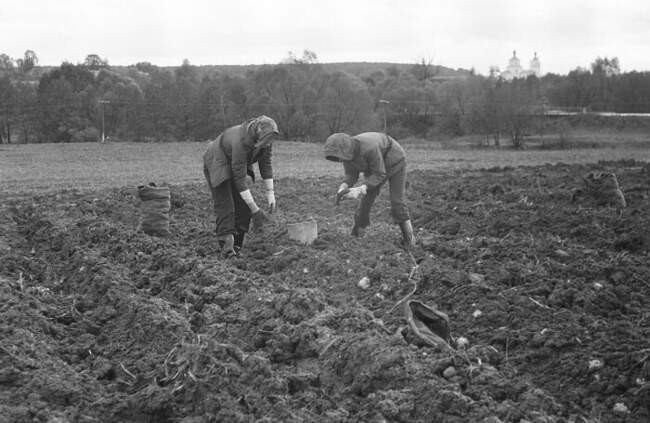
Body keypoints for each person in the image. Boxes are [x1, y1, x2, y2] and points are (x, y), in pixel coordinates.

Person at [324, 132, 416, 249]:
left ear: (346, 150)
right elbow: (351, 174)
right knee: (365, 202)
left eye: (339, 156)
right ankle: (357, 235)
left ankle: (410, 240)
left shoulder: (369, 148)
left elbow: (380, 173)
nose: (340, 160)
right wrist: (344, 186)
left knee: (397, 202)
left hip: (395, 162)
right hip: (374, 168)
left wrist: (361, 188)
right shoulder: (347, 156)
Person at [203, 115, 278, 257]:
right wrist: (255, 210)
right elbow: (239, 179)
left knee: (243, 206)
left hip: (238, 162)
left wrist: (270, 193)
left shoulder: (266, 140)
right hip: (217, 161)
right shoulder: (241, 142)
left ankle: (237, 246)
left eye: (271, 140)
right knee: (226, 205)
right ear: (258, 133)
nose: (269, 143)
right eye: (267, 140)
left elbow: (266, 164)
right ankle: (226, 247)